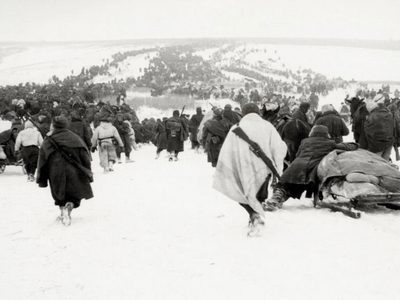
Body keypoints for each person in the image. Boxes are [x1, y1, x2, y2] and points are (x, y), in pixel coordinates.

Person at [213, 103, 287, 236]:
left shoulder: (237, 128)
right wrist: (277, 166)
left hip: (243, 167)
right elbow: (279, 147)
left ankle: (254, 216)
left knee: (242, 193)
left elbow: (228, 150)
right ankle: (255, 218)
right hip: (264, 168)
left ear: (243, 112)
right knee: (260, 195)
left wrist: (230, 166)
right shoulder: (268, 126)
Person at [264, 125, 358, 211]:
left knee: (285, 185)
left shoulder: (304, 142)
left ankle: (276, 199)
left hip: (296, 166)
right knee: (312, 183)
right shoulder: (330, 143)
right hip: (313, 169)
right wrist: (355, 145)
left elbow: (297, 154)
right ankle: (320, 198)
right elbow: (348, 147)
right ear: (326, 134)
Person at [36, 116, 93, 226]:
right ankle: (69, 206)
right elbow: (85, 156)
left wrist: (42, 179)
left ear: (53, 125)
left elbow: (42, 160)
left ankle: (63, 209)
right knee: (74, 194)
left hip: (55, 170)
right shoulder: (75, 138)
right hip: (74, 170)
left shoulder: (48, 140)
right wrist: (88, 171)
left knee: (59, 193)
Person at [359, 95, 394, 161]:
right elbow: (393, 128)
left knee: (376, 164)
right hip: (389, 143)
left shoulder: (371, 117)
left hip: (376, 146)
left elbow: (366, 133)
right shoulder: (389, 113)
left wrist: (362, 147)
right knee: (386, 163)